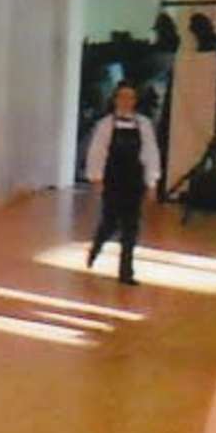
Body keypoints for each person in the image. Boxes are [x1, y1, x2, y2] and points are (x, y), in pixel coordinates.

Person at [80, 78, 160, 283]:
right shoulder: (105, 125)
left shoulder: (144, 124)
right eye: (122, 96)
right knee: (110, 223)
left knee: (131, 226)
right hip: (113, 178)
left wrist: (152, 182)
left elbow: (150, 154)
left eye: (130, 97)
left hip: (134, 180)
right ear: (115, 99)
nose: (126, 101)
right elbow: (97, 152)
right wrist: (96, 178)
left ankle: (126, 272)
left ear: (135, 100)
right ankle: (96, 246)